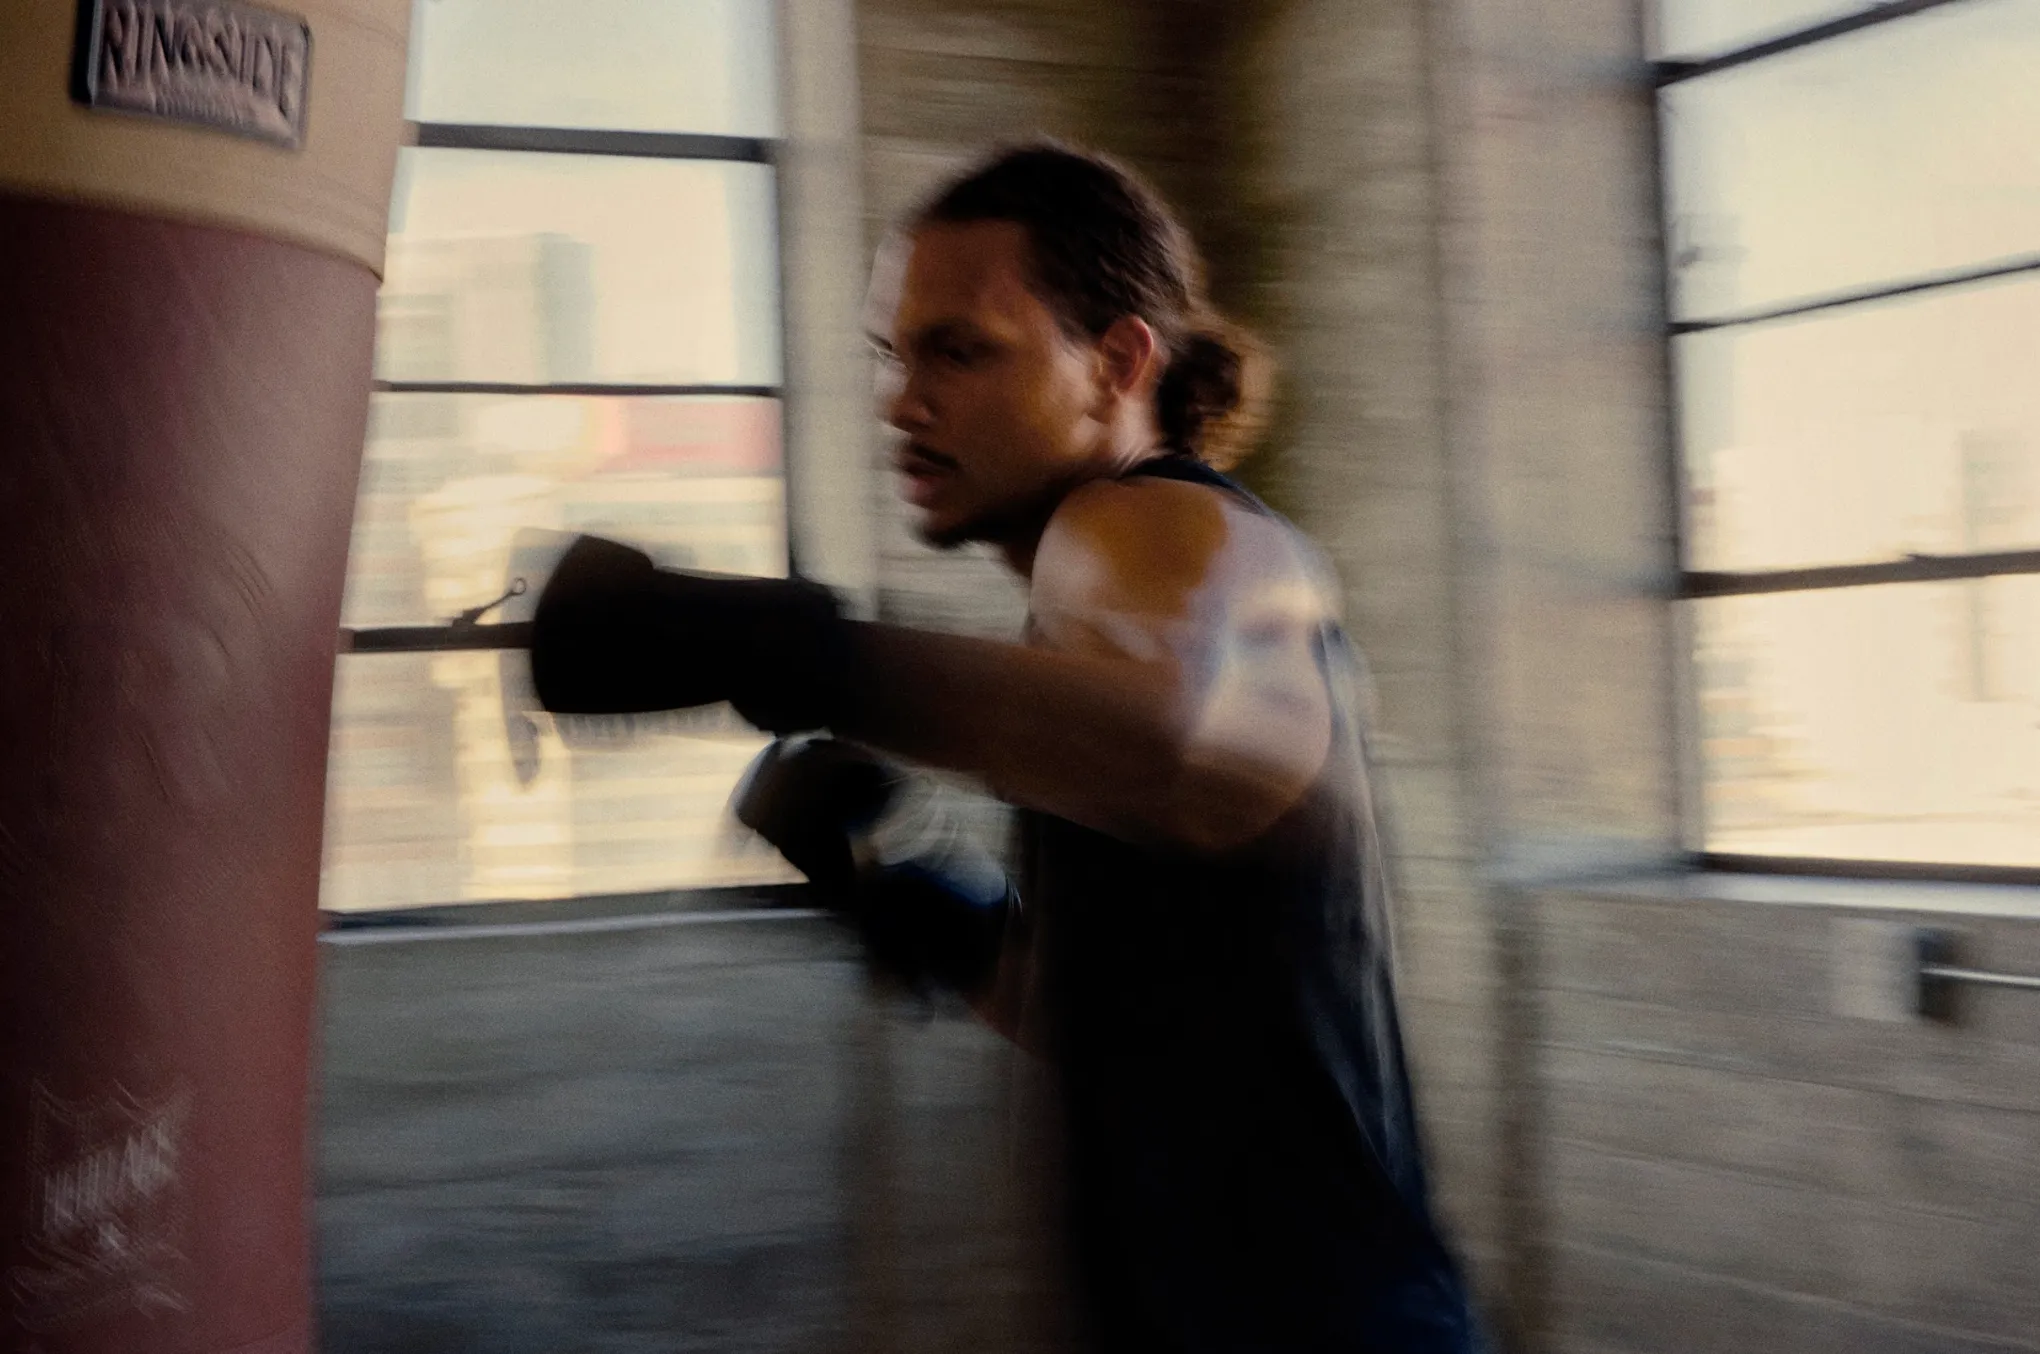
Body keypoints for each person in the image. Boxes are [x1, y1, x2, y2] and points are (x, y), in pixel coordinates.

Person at [524, 142, 1486, 1353]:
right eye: (895, 353)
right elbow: (1123, 1017)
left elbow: (1177, 737)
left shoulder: (1161, 528)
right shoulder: (1093, 610)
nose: (901, 399)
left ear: (1118, 364)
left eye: (960, 350)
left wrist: (754, 647)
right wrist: (916, 904)